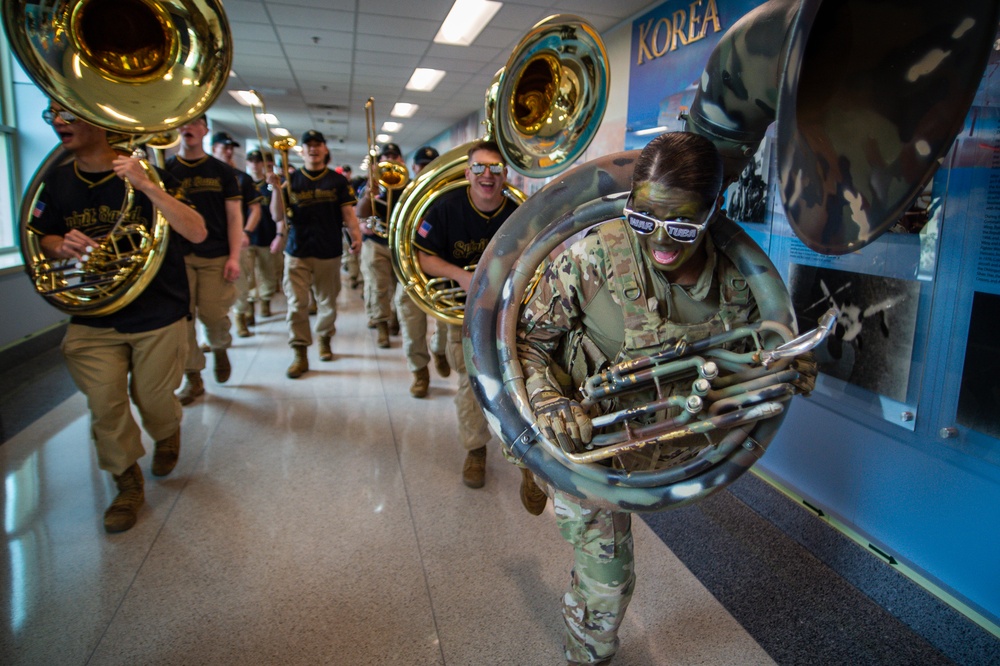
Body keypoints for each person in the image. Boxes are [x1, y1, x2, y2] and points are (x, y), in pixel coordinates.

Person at [515, 132, 815, 665]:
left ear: (713, 212)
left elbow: (757, 357)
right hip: (587, 442)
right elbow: (526, 343)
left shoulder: (742, 286)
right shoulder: (594, 257)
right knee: (610, 587)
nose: (661, 241)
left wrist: (780, 367)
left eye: (682, 225)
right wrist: (545, 403)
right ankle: (586, 652)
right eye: (643, 219)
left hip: (667, 447)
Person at [29, 102, 207, 532]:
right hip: (93, 313)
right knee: (105, 404)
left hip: (158, 310)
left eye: (67, 114)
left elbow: (197, 231)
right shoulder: (53, 180)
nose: (57, 122)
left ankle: (166, 431)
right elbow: (40, 235)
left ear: (97, 118)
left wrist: (148, 187)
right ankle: (126, 482)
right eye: (50, 114)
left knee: (153, 397)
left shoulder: (149, 173)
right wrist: (57, 245)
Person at [414, 140, 519, 488]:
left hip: (507, 308)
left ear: (505, 174)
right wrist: (460, 275)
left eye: (495, 168)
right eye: (479, 168)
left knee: (515, 376)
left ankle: (527, 456)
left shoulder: (519, 210)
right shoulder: (446, 207)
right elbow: (423, 258)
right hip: (459, 308)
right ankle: (476, 450)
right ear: (467, 172)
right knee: (471, 380)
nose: (487, 175)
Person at [166, 115, 244, 405]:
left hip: (216, 254)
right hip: (178, 257)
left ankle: (220, 347)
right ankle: (193, 376)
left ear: (204, 131)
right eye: (182, 123)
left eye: (194, 123)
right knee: (183, 319)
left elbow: (234, 216)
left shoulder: (221, 172)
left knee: (212, 313)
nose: (187, 128)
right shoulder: (167, 170)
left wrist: (234, 256)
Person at [281, 129, 362, 378]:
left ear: (325, 149)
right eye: (308, 145)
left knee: (327, 302)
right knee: (297, 304)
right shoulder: (290, 180)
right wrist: (276, 189)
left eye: (318, 144)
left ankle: (324, 338)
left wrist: (356, 236)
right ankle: (300, 352)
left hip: (328, 251)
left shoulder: (337, 181)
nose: (313, 149)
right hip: (297, 250)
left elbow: (348, 214)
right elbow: (278, 216)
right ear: (302, 151)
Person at [394, 145, 451, 397]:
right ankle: (420, 373)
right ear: (413, 168)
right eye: (420, 165)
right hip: (410, 273)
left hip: (441, 271)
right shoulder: (402, 193)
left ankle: (439, 350)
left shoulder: (448, 194)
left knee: (447, 327)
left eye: (430, 164)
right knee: (411, 325)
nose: (424, 169)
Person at [211, 131, 263, 338]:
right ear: (214, 148)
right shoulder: (204, 175)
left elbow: (255, 209)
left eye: (232, 148)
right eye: (225, 147)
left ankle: (241, 318)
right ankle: (211, 332)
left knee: (240, 283)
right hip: (208, 241)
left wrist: (246, 231)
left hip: (236, 240)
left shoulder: (242, 178)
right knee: (210, 290)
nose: (229, 151)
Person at [356, 142, 404, 348]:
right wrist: (369, 192)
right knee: (378, 287)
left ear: (401, 160)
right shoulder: (370, 185)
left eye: (394, 156)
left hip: (400, 244)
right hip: (376, 242)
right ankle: (382, 325)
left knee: (399, 287)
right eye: (386, 156)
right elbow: (360, 212)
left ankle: (394, 318)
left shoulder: (407, 184)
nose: (390, 159)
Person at [245, 150, 286, 318]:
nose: (255, 164)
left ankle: (265, 302)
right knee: (247, 276)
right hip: (246, 238)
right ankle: (247, 310)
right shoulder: (242, 184)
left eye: (258, 161)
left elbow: (279, 215)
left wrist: (279, 235)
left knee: (268, 273)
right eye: (252, 161)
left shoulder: (270, 186)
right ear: (247, 163)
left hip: (267, 237)